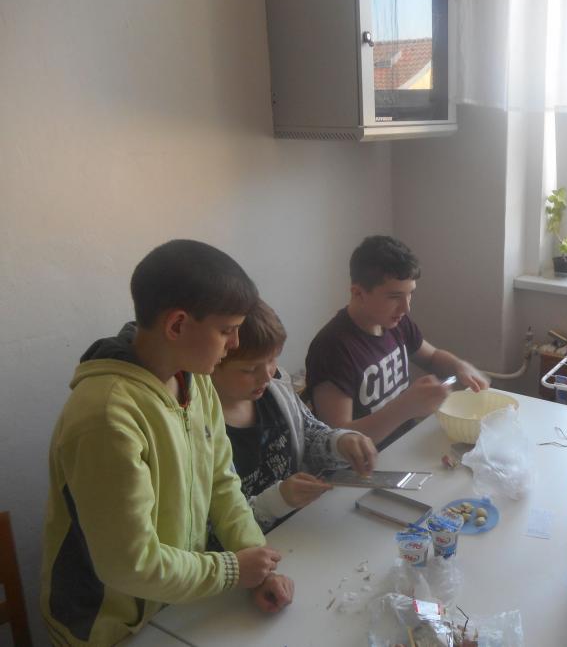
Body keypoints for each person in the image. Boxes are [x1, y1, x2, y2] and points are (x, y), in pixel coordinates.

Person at [41, 240, 292, 647]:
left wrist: (256, 561)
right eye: (226, 330)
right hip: (109, 626)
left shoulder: (194, 378)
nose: (234, 344)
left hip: (173, 601)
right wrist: (232, 570)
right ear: (177, 325)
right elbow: (129, 565)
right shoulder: (106, 416)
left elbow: (221, 483)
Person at [305, 235, 489, 448]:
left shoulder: (394, 322)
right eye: (394, 297)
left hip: (404, 445)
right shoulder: (331, 348)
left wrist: (459, 366)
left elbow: (431, 357)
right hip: (366, 463)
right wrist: (405, 408)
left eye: (410, 294)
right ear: (358, 293)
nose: (406, 308)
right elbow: (338, 439)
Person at [210, 300, 378, 533]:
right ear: (212, 364)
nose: (267, 376)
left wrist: (340, 442)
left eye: (272, 359)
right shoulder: (203, 430)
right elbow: (212, 531)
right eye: (249, 370)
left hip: (300, 527)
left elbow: (309, 434)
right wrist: (276, 501)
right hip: (252, 546)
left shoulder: (275, 391)